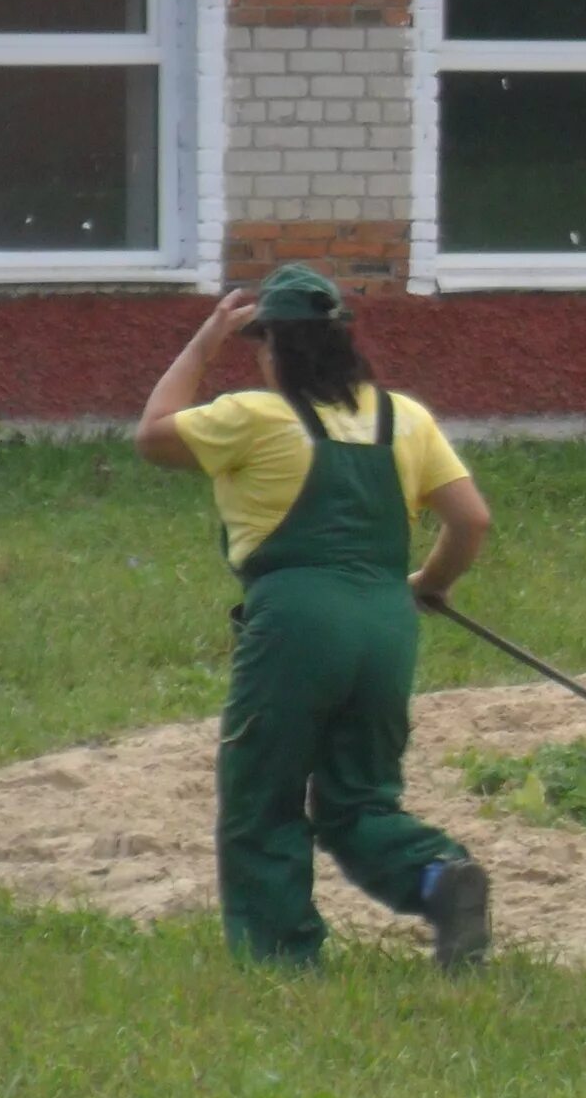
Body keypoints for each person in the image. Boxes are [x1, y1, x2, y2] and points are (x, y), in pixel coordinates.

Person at [135, 263, 495, 970]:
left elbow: (152, 434)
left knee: (262, 793)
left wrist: (206, 341)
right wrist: (428, 581)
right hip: (387, 623)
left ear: (271, 346)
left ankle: (279, 958)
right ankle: (438, 876)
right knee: (360, 796)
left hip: (296, 621)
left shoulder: (255, 416)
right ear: (343, 343)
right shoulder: (404, 417)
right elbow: (471, 519)